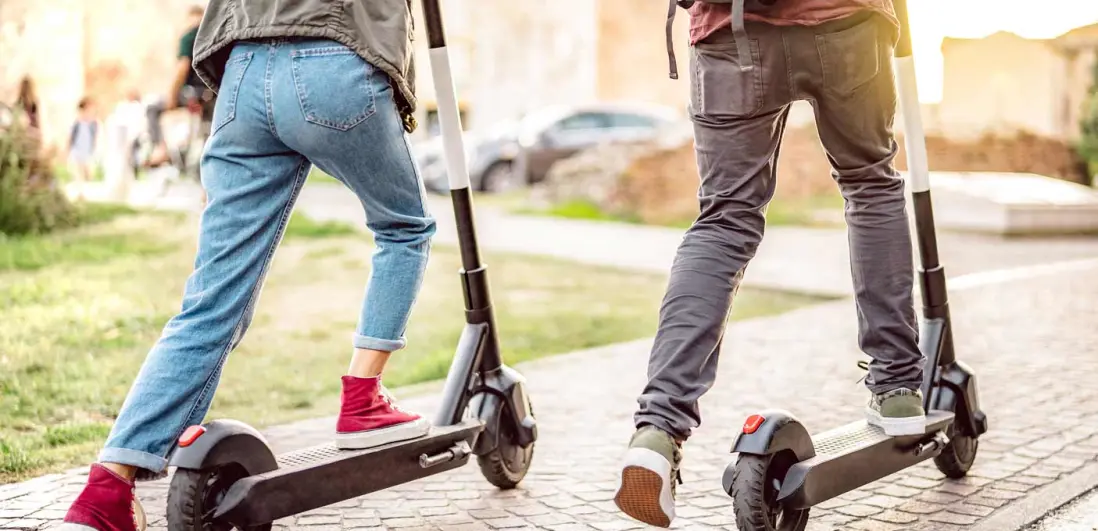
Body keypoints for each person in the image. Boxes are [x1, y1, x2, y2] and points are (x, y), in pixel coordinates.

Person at [60, 0, 429, 529]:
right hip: (334, 57)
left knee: (212, 299)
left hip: (244, 75)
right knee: (404, 226)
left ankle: (106, 491)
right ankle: (363, 398)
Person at [613, 0, 925, 527]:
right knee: (871, 185)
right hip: (846, 22)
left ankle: (658, 429)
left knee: (724, 221)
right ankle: (897, 388)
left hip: (729, 30)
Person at [144, 5, 212, 168]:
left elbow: (183, 68)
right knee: (208, 136)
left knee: (152, 108)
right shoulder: (212, 36)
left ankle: (160, 149)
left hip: (192, 93)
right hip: (213, 94)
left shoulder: (189, 37)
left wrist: (172, 96)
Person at [69, 98, 99, 199]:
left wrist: (95, 148)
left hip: (87, 151)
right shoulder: (76, 122)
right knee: (78, 172)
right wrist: (67, 149)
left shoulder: (94, 123)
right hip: (77, 150)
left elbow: (95, 137)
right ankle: (80, 193)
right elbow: (70, 137)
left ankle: (82, 189)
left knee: (89, 173)